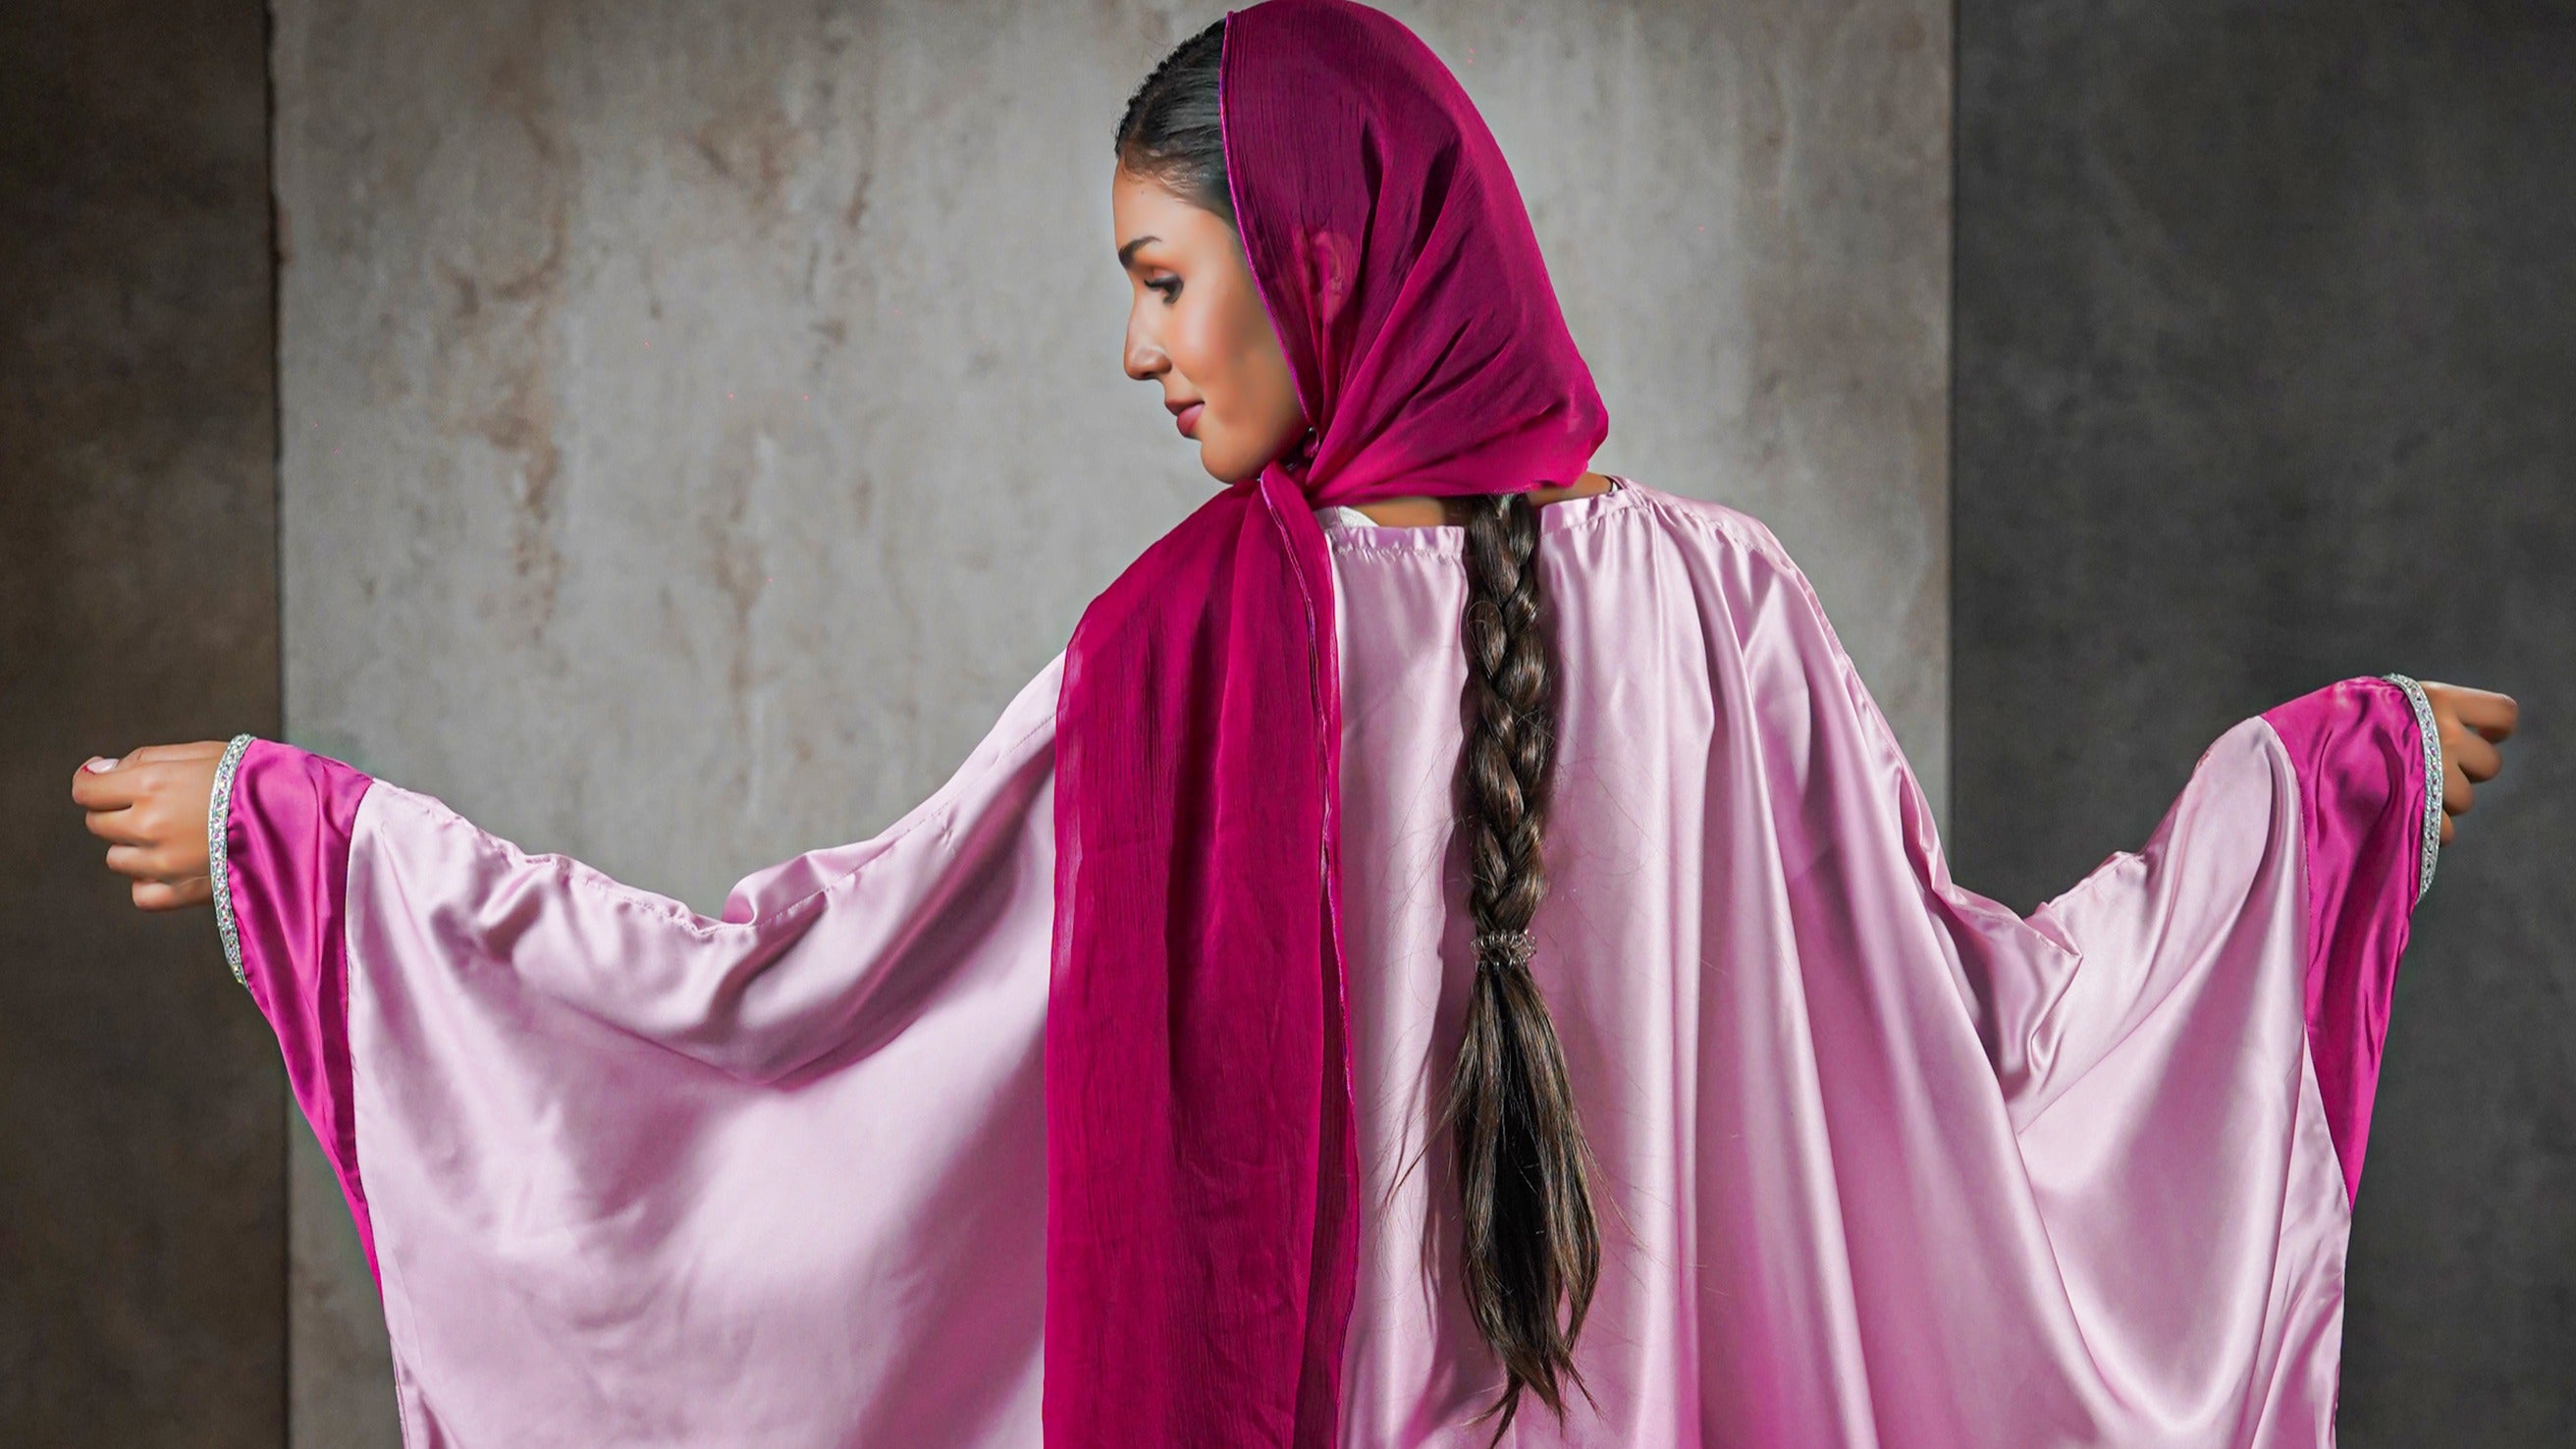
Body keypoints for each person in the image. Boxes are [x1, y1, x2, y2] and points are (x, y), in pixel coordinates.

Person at [72, 2, 2519, 1445]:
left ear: (1323, 247)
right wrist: (2311, 804)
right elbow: (1989, 1037)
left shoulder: (1181, 658)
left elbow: (787, 1000)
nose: (1140, 351)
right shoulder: (1718, 605)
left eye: (1163, 279)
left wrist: (345, 857)